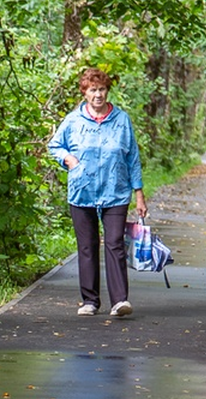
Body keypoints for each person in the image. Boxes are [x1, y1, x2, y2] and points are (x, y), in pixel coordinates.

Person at [48, 68, 147, 318]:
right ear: (85, 92)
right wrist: (68, 159)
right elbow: (54, 145)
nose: (98, 95)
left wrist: (139, 194)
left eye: (101, 89)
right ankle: (90, 301)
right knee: (87, 246)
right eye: (92, 90)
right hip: (83, 191)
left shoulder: (121, 119)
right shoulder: (73, 121)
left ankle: (119, 301)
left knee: (114, 243)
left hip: (116, 191)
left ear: (107, 91)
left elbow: (132, 156)